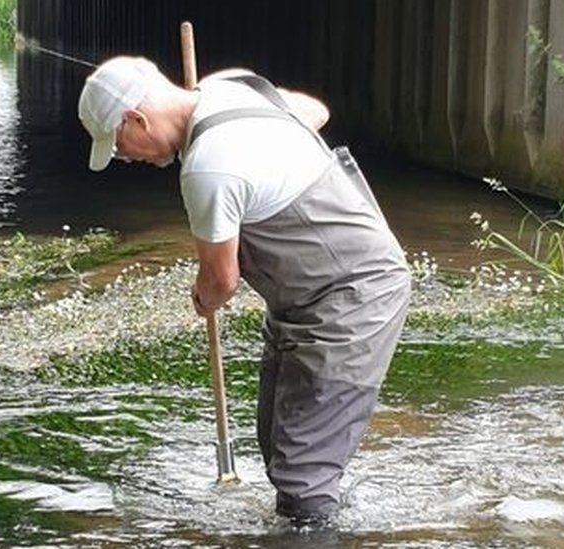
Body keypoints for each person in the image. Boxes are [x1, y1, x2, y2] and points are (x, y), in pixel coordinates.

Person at [77, 56, 411, 522]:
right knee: (277, 441)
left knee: (301, 473)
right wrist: (263, 161)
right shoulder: (231, 86)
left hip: (354, 295)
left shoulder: (207, 170)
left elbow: (220, 281)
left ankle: (315, 524)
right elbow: (313, 110)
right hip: (301, 298)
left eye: (119, 145)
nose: (127, 157)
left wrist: (201, 298)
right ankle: (321, 514)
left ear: (137, 119)